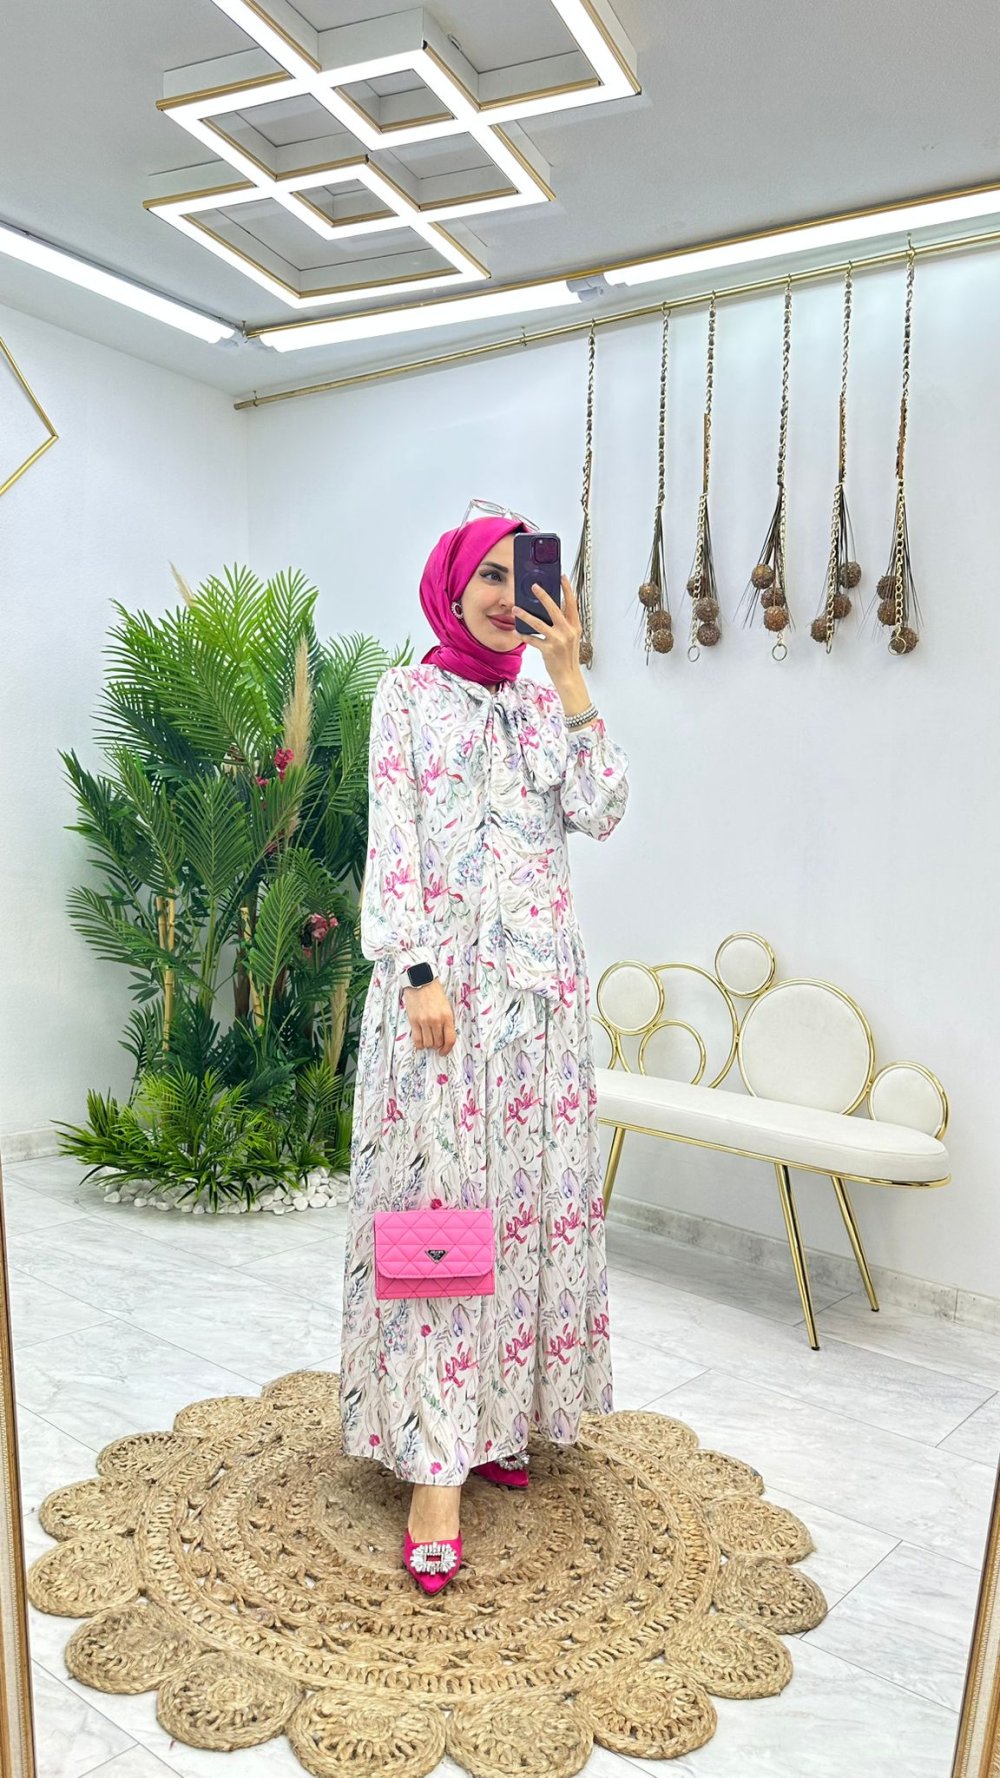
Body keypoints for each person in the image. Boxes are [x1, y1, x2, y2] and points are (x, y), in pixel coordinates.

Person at [339, 512, 630, 1592]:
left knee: (526, 1210)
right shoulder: (408, 696)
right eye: (491, 576)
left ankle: (499, 1417)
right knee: (440, 1213)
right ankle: (432, 1468)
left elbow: (602, 807)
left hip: (540, 1001)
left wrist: (571, 674)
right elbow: (394, 839)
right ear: (452, 586)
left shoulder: (543, 700)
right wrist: (417, 969)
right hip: (444, 996)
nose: (511, 595)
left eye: (527, 574)